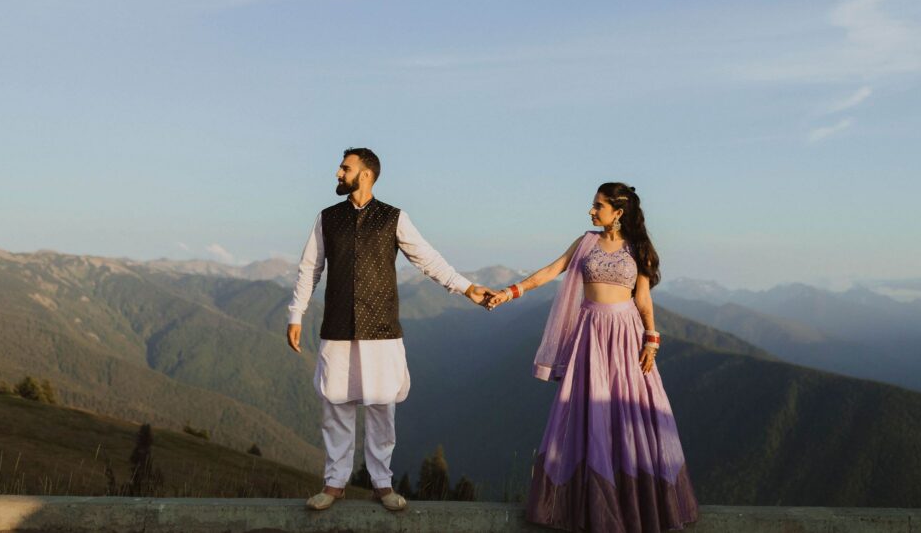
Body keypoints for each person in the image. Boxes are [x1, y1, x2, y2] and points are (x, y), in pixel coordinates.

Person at [286, 147, 494, 512]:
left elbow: (427, 259)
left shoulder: (393, 218)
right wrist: (296, 314)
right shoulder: (327, 218)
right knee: (336, 405)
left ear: (365, 174)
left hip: (381, 327)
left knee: (383, 407)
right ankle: (334, 483)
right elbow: (310, 268)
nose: (338, 172)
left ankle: (381, 483)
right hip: (337, 325)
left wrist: (466, 287)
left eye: (345, 168)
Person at [486, 182, 699, 532]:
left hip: (628, 336)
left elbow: (643, 298)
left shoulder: (639, 248)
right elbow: (550, 271)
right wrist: (510, 292)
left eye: (598, 206)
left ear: (618, 212)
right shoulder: (585, 241)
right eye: (593, 205)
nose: (591, 211)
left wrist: (652, 339)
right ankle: (589, 506)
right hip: (591, 337)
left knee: (629, 412)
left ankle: (637, 504)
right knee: (589, 413)